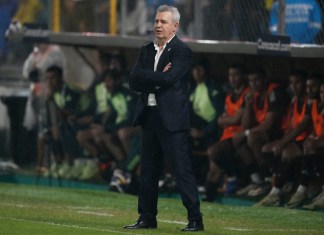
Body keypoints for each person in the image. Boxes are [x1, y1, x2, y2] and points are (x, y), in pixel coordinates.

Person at [123, 5, 203, 232]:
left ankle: (195, 219)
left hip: (172, 121)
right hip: (149, 118)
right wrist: (158, 76)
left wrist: (149, 77)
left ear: (175, 26)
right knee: (147, 171)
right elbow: (133, 81)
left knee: (181, 171)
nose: (158, 25)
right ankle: (147, 218)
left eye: (163, 22)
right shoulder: (146, 49)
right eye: (156, 21)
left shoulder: (181, 51)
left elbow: (170, 79)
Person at [203, 63, 250, 201]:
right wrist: (229, 120)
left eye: (236, 75)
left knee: (213, 152)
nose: (233, 78)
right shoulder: (230, 96)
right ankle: (209, 197)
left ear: (243, 77)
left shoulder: (247, 94)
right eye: (230, 75)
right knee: (214, 167)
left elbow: (236, 119)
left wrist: (228, 120)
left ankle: (233, 176)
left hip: (239, 136)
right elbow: (220, 120)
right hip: (227, 135)